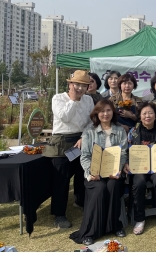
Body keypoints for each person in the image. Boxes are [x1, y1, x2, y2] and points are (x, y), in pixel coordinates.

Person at [69, 100, 128, 245]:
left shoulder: (120, 130)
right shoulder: (89, 132)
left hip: (113, 173)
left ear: (113, 112)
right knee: (100, 188)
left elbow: (123, 154)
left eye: (108, 110)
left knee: (113, 186)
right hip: (94, 174)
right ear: (97, 113)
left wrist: (117, 170)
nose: (105, 114)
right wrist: (91, 172)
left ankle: (114, 225)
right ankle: (90, 231)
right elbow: (85, 156)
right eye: (102, 111)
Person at [43, 70, 93, 228]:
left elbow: (92, 121)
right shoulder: (58, 98)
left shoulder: (89, 99)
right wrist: (73, 100)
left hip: (81, 140)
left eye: (83, 86)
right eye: (76, 84)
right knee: (61, 180)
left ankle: (80, 202)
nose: (79, 88)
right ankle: (59, 214)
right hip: (62, 141)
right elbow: (64, 117)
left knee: (82, 174)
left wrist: (85, 136)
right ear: (70, 84)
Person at [125, 102, 156, 234]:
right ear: (139, 116)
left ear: (155, 115)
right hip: (139, 168)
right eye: (144, 113)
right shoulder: (133, 132)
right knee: (138, 183)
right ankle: (140, 219)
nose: (147, 116)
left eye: (150, 113)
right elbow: (128, 151)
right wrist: (127, 163)